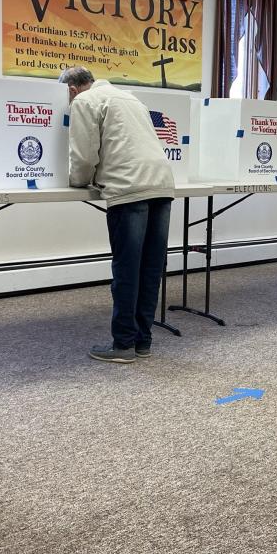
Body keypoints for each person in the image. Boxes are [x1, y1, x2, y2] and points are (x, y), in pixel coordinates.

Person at [60, 66, 175, 363]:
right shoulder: (131, 99)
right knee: (150, 268)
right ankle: (142, 342)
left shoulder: (85, 102)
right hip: (162, 184)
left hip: (128, 186)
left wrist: (77, 181)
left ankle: (122, 345)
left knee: (126, 269)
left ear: (72, 89)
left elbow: (84, 155)